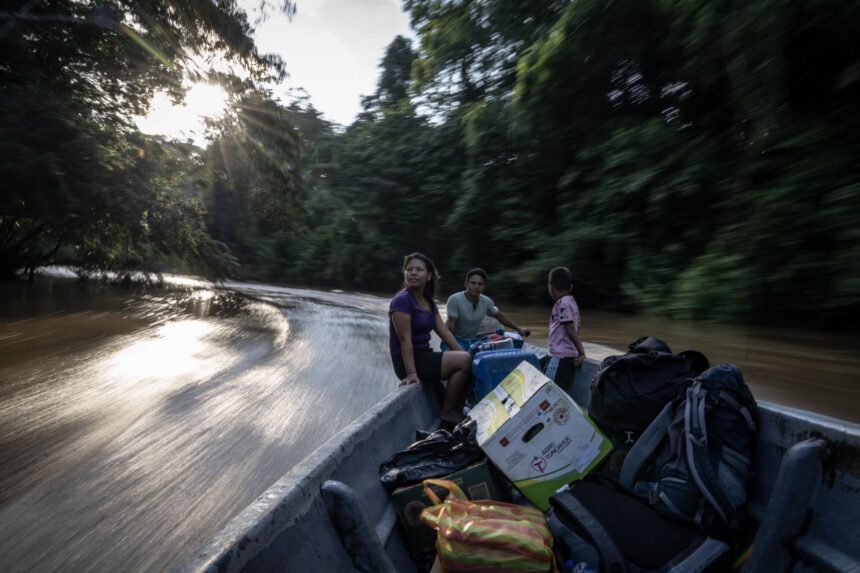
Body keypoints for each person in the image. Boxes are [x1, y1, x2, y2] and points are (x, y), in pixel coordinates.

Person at [389, 253, 472, 428]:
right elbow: (405, 340)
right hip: (407, 361)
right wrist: (411, 373)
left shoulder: (428, 302)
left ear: (429, 276)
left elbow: (445, 332)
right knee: (464, 361)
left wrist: (463, 352)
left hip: (423, 356)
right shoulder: (402, 301)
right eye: (409, 269)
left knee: (466, 358)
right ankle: (448, 412)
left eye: (419, 269)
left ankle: (456, 409)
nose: (413, 273)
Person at [443, 268, 531, 351]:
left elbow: (500, 316)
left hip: (472, 341)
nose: (476, 286)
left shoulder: (486, 301)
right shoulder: (454, 299)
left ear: (484, 286)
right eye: (473, 283)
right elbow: (451, 326)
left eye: (480, 284)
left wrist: (519, 329)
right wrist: (453, 348)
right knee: (461, 359)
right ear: (466, 284)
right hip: (452, 340)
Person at [542, 266, 586, 391]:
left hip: (559, 358)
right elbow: (577, 326)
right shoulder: (571, 302)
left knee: (548, 391)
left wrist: (582, 352)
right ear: (571, 287)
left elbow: (570, 328)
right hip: (568, 357)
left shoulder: (562, 304)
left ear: (551, 288)